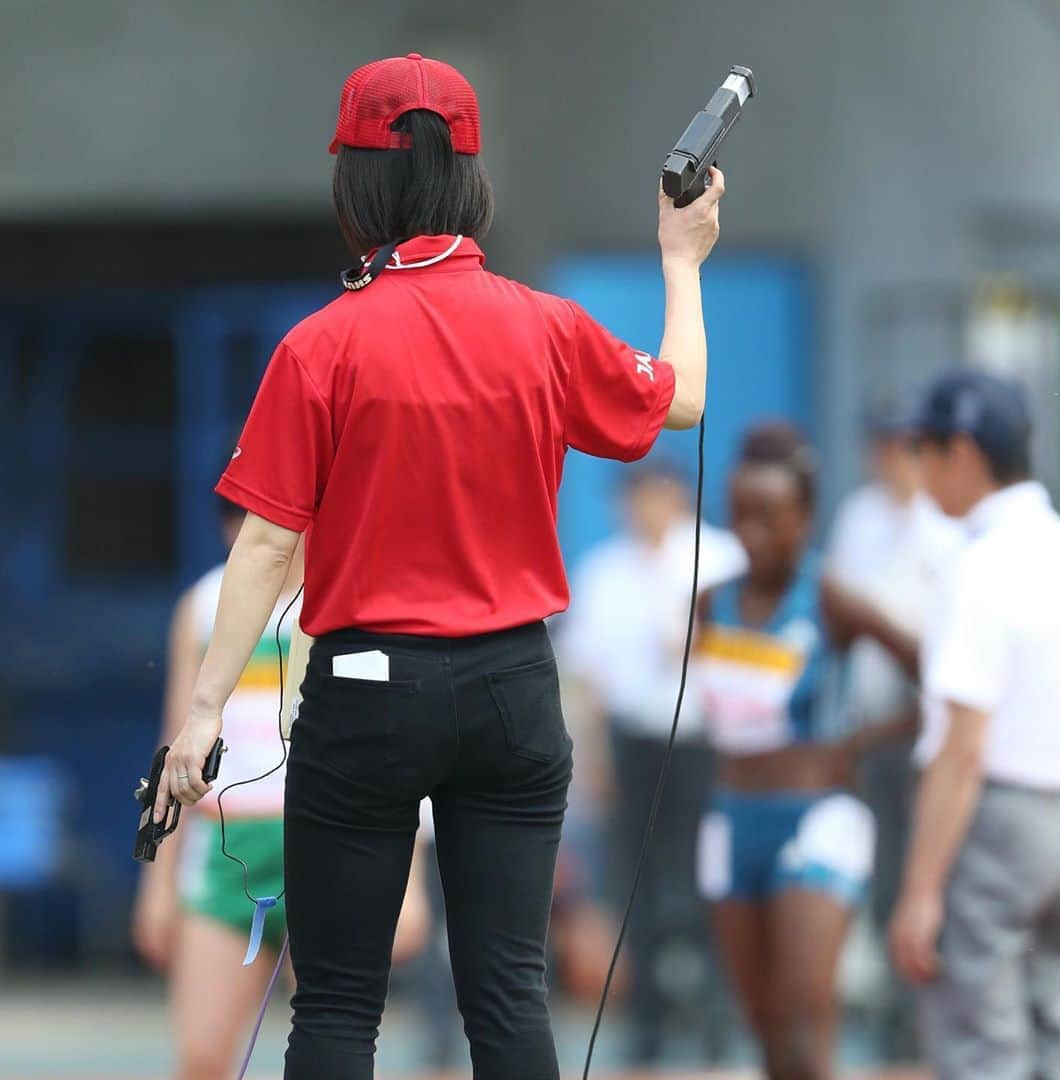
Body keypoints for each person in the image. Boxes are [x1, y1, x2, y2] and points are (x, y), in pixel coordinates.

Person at [153, 52, 724, 1080]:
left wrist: (202, 715)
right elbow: (676, 399)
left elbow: (271, 545)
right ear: (470, 176)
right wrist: (680, 258)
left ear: (355, 182)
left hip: (369, 688)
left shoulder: (321, 348)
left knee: (337, 1005)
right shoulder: (543, 325)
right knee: (509, 997)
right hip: (513, 684)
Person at [131, 498, 431, 1080]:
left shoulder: (356, 604)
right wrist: (156, 882)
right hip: (228, 858)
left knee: (332, 1050)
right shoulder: (201, 607)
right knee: (200, 1057)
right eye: (235, 517)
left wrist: (411, 883)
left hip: (329, 845)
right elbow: (173, 743)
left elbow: (396, 748)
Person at [884, 371, 1060, 1078]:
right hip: (1056, 818)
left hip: (989, 825)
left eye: (924, 450)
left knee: (980, 1049)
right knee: (1047, 1035)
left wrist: (920, 890)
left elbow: (963, 749)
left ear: (960, 452)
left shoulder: (979, 565)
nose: (919, 469)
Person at [695, 422, 879, 1080]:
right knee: (767, 1030)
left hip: (815, 819)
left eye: (770, 518)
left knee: (804, 1018)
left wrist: (856, 742)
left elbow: (934, 668)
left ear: (804, 517)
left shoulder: (827, 596)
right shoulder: (711, 599)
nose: (751, 533)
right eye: (740, 516)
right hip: (732, 819)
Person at [559, 460, 745, 1064]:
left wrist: (698, 640)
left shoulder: (718, 559)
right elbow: (588, 679)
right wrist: (591, 764)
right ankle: (649, 1028)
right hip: (633, 740)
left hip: (704, 741)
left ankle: (715, 1023)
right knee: (634, 883)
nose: (641, 509)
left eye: (652, 496)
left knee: (704, 880)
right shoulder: (605, 572)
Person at [825, 407, 961, 1057]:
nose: (890, 464)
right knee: (884, 873)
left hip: (929, 724)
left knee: (931, 868)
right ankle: (899, 1016)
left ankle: (929, 1014)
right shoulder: (859, 517)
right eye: (881, 451)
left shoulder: (942, 528)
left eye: (902, 451)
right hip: (875, 724)